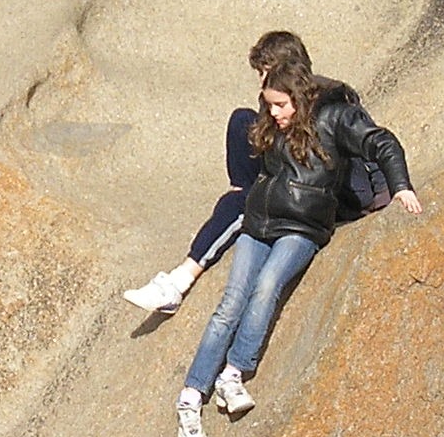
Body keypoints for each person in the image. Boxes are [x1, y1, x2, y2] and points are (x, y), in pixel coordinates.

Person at [173, 47, 419, 437]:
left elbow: (382, 143)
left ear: (300, 98)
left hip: (303, 226)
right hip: (262, 220)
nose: (273, 113)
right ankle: (190, 396)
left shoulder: (335, 117)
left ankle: (233, 373)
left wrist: (401, 187)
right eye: (269, 105)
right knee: (230, 301)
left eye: (280, 105)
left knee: (267, 285)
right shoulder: (271, 122)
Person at [121, 30, 309, 316]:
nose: (261, 82)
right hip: (282, 174)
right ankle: (241, 190)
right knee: (241, 120)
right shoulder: (272, 101)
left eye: (265, 73)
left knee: (236, 205)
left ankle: (178, 283)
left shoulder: (320, 104)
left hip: (304, 192)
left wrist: (392, 190)